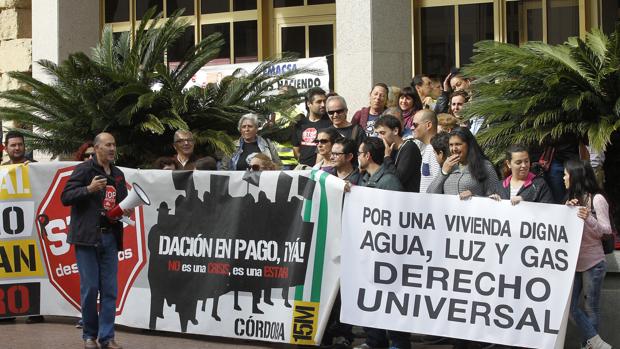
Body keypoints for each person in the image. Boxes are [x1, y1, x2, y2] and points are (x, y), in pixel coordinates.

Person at [61, 132, 129, 349]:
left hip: (110, 237)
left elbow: (120, 202)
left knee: (109, 289)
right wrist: (88, 189)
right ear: (97, 148)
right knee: (90, 288)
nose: (112, 148)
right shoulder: (83, 170)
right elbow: (66, 197)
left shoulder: (118, 174)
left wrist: (123, 211)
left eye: (114, 145)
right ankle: (89, 335)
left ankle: (107, 337)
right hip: (87, 238)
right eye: (108, 145)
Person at [355, 137, 409, 349]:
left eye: (360, 153)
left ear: (367, 156)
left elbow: (400, 217)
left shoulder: (389, 182)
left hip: (387, 253)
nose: (359, 157)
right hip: (369, 249)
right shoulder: (364, 179)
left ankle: (399, 342)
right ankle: (374, 340)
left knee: (391, 299)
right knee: (371, 296)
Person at [564, 160, 613, 349]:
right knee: (569, 307)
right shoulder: (571, 198)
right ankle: (596, 342)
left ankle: (589, 345)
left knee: (591, 308)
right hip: (574, 263)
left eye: (566, 174)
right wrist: (567, 210)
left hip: (593, 262)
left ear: (575, 176)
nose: (563, 177)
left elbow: (606, 230)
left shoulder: (597, 199)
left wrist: (588, 218)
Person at [427, 127, 499, 199]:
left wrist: (474, 197)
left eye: (458, 144)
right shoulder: (448, 167)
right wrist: (443, 173)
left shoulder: (485, 166)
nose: (454, 149)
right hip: (449, 210)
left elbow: (497, 198)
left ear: (469, 145)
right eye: (451, 145)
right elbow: (429, 195)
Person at [489, 144, 554, 204]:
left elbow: (547, 211)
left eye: (526, 161)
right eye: (518, 162)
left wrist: (525, 203)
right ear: (508, 164)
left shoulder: (539, 184)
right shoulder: (499, 187)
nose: (524, 165)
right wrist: (492, 202)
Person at [374, 114, 421, 193]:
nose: (379, 137)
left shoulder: (409, 147)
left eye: (382, 133)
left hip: (407, 199)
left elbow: (397, 180)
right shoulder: (388, 150)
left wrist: (387, 157)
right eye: (377, 133)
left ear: (395, 131)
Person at [292, 87, 331, 166]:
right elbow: (296, 150)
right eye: (319, 102)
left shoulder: (330, 124)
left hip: (322, 170)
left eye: (324, 101)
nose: (323, 105)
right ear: (309, 103)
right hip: (303, 169)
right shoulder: (299, 124)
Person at [412, 110, 441, 193]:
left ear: (428, 125)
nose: (412, 128)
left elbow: (438, 182)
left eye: (415, 125)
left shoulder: (434, 149)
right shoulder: (429, 148)